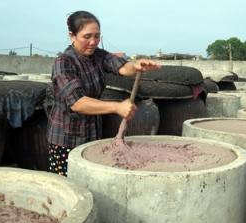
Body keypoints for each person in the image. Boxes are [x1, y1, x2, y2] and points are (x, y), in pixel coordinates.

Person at [46, 10, 160, 176]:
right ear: (72, 36)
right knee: (69, 184)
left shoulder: (98, 56)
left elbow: (121, 67)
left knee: (90, 182)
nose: (93, 42)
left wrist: (135, 66)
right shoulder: (63, 62)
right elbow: (78, 103)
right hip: (66, 138)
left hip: (91, 133)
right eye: (87, 36)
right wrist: (116, 107)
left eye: (97, 36)